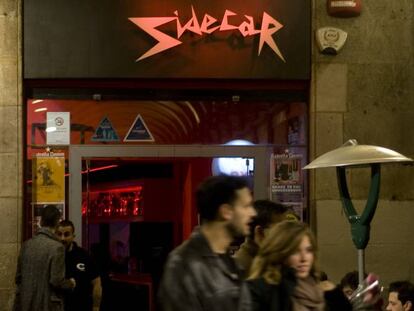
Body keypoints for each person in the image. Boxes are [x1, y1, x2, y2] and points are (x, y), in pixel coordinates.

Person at [158, 175, 257, 311]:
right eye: (246, 206)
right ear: (226, 212)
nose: (253, 213)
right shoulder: (183, 263)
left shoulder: (232, 263)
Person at [247, 220, 352, 311]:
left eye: (308, 250)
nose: (304, 258)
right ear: (280, 252)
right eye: (295, 251)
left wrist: (336, 297)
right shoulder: (261, 290)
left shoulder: (321, 291)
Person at [13, 205, 76, 311]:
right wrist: (71, 283)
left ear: (41, 222)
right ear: (57, 223)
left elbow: (18, 278)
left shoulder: (26, 245)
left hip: (25, 304)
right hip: (47, 305)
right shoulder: (57, 247)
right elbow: (56, 281)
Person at [56, 220, 102, 311]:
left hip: (81, 306)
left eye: (66, 234)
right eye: (59, 234)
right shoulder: (53, 256)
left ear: (73, 236)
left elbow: (97, 283)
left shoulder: (84, 255)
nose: (62, 238)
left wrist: (96, 307)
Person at [234, 199, 289, 274]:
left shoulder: (272, 258)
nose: (286, 235)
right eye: (280, 230)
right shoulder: (241, 267)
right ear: (260, 232)